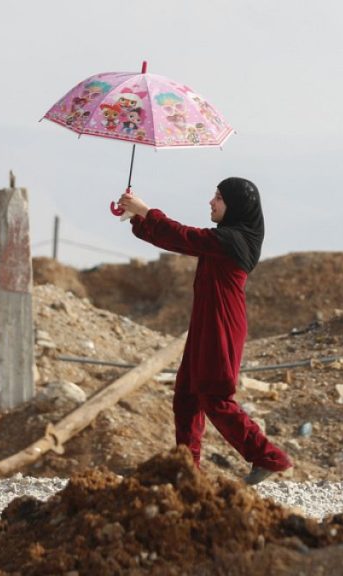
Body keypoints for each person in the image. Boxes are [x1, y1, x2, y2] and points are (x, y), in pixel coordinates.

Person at [118, 177, 293, 485]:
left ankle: (269, 457)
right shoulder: (226, 238)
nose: (211, 202)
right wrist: (138, 218)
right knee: (186, 395)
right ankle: (186, 469)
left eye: (219, 198)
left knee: (214, 395)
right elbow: (177, 241)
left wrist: (146, 211)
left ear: (235, 206)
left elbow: (184, 236)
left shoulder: (233, 241)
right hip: (205, 322)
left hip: (222, 324)